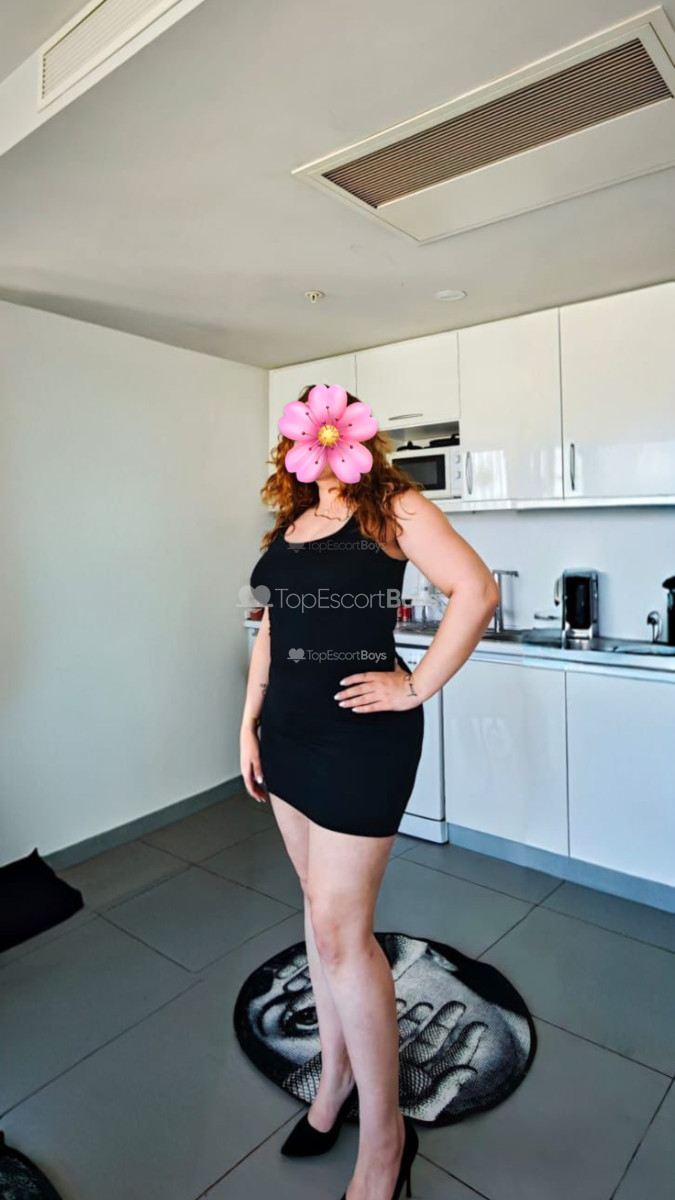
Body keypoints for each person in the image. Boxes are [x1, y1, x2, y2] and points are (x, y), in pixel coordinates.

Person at [240, 385, 499, 1200]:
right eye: (304, 435)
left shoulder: (391, 505)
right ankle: (333, 1084)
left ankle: (385, 1140)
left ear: (354, 435)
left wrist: (413, 686)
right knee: (320, 922)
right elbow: (271, 627)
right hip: (285, 736)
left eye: (332, 431)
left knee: (339, 932)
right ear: (293, 443)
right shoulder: (289, 524)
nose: (317, 445)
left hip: (358, 738)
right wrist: (247, 722)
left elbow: (476, 591)